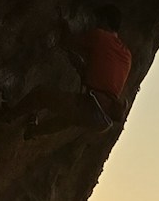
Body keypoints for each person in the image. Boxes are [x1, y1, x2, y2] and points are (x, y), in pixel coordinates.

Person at [22, 9, 133, 137]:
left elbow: (70, 40)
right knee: (68, 118)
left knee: (41, 94)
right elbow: (102, 79)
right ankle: (32, 131)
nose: (96, 23)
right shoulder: (127, 54)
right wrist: (78, 63)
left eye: (99, 20)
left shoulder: (100, 36)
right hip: (102, 120)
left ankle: (7, 113)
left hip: (92, 108)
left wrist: (63, 25)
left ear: (105, 21)